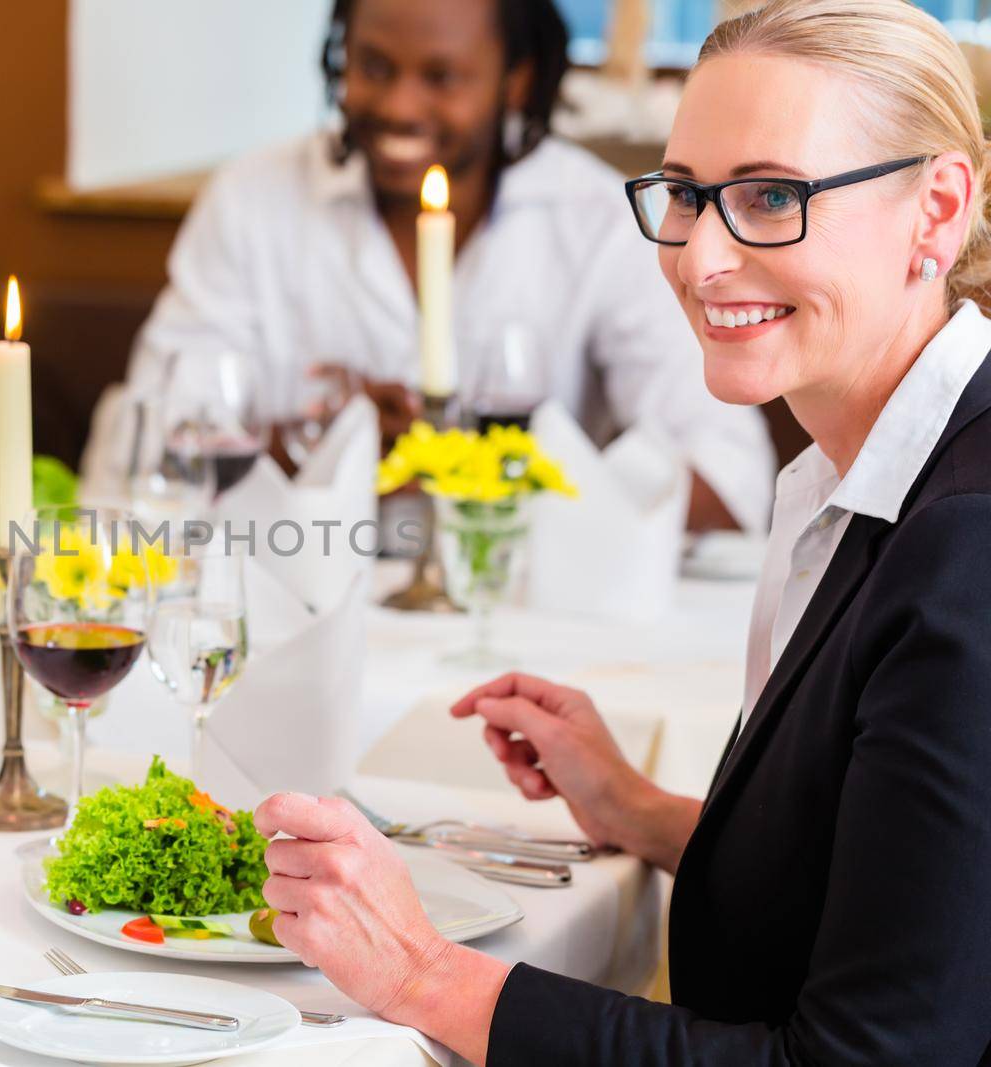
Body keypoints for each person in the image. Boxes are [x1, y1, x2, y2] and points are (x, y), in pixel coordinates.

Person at [255, 1, 991, 1062]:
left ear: (936, 208)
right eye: (687, 194)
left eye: (771, 195)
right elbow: (882, 891)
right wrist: (643, 810)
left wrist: (420, 970)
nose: (700, 258)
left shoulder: (964, 545)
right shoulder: (868, 471)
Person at [104, 0, 775, 532]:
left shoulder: (592, 219)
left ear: (515, 81)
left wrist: (495, 470)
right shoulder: (254, 200)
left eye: (441, 76)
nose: (398, 105)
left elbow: (731, 478)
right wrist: (310, 445)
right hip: (293, 597)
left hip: (526, 628)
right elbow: (138, 452)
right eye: (372, 66)